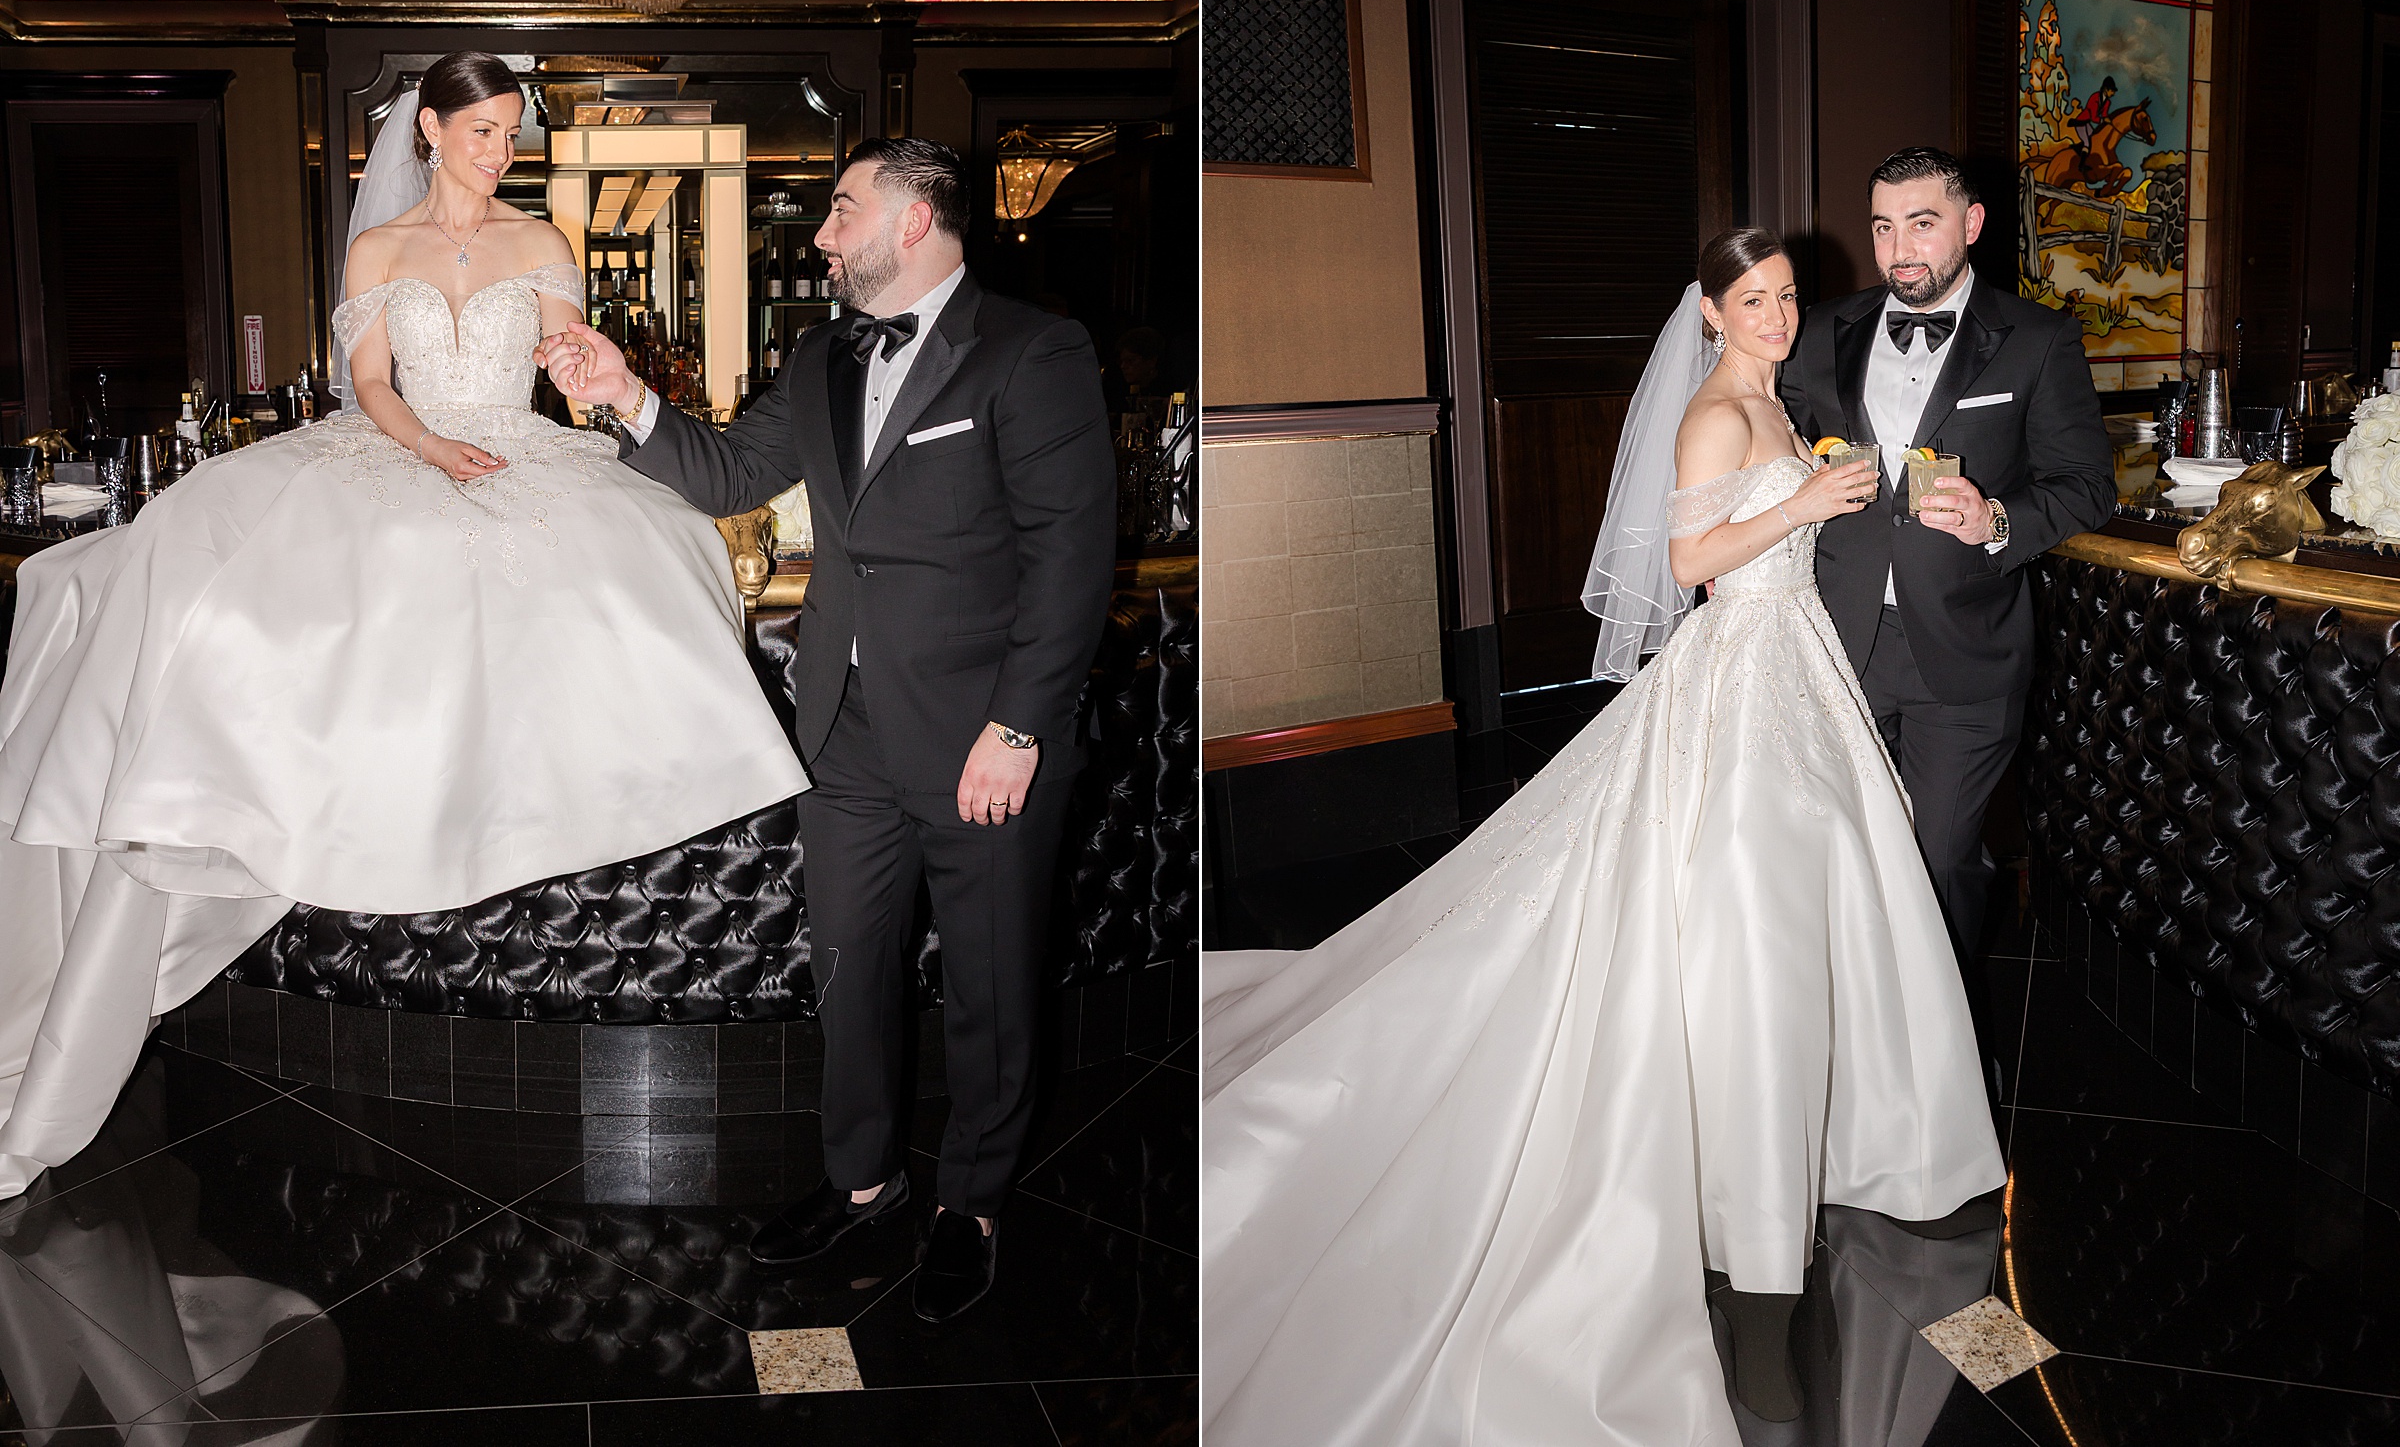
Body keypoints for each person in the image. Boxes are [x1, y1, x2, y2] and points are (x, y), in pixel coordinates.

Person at [1202, 227, 2004, 1444]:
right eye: (1754, 299)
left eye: (1788, 296)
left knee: (1836, 901)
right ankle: (1753, 1264)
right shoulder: (1715, 418)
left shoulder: (1776, 402)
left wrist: (1817, 489)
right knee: (1748, 919)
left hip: (1800, 666)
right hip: (1739, 668)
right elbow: (1691, 562)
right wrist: (1807, 501)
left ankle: (1853, 1130)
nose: (1779, 316)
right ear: (1711, 307)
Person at [0, 50, 806, 1203]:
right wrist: (428, 448)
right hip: (405, 444)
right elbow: (371, 382)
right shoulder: (380, 250)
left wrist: (587, 371)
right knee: (280, 573)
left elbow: (565, 372)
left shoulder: (543, 244)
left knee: (643, 562)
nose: (502, 151)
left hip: (524, 446)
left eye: (512, 133)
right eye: (483, 131)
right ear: (430, 129)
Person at [537, 137, 1116, 1324]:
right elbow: (726, 470)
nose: (822, 233)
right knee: (849, 975)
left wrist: (1018, 726)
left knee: (990, 988)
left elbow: (1072, 557)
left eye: (842, 209)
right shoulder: (820, 354)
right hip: (843, 737)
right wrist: (623, 394)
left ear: (913, 220)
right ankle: (863, 1183)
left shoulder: (1031, 349)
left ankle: (974, 1202)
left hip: (980, 744)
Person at [1782, 145, 2115, 1100]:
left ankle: (1946, 1049)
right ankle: (1859, 1050)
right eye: (1883, 226)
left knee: (1941, 854)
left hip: (1963, 652)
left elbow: (2087, 484)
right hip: (1830, 643)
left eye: (1921, 223)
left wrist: (1998, 520)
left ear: (1970, 224)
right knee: (1842, 853)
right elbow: (1771, 444)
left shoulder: (2036, 340)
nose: (1899, 248)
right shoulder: (1825, 331)